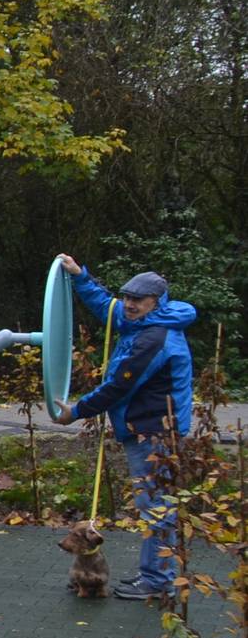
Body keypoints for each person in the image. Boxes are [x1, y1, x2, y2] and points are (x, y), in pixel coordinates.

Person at [50, 255, 198, 600]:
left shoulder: (156, 339)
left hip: (157, 433)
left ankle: (159, 584)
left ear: (156, 303)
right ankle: (153, 576)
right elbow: (110, 308)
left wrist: (77, 411)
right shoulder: (143, 321)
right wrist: (80, 277)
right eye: (128, 298)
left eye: (137, 300)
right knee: (154, 506)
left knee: (158, 508)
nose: (129, 305)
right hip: (144, 429)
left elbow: (120, 385)